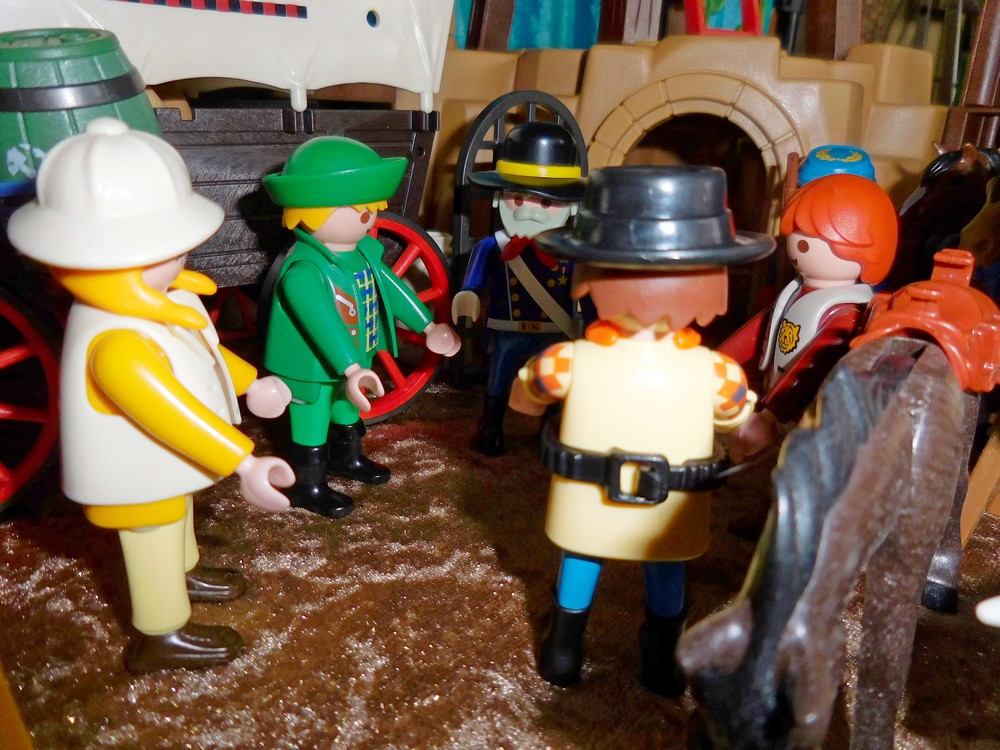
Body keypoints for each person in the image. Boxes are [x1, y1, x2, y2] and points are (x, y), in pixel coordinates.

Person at [7, 118, 294, 673]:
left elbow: (203, 353)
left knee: (177, 517)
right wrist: (243, 462)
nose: (184, 257)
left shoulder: (162, 305)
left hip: (163, 467)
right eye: (170, 249)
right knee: (153, 537)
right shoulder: (118, 343)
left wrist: (249, 382)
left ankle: (185, 573)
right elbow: (170, 413)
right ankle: (163, 631)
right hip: (135, 472)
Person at [509, 165, 774, 695]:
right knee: (657, 567)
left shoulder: (567, 362)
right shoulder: (717, 373)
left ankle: (575, 651)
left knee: (592, 559)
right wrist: (757, 437)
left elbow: (526, 401)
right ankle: (635, 657)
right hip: (658, 505)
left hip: (601, 499)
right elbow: (744, 432)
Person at [263, 137, 460, 517]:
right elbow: (321, 324)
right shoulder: (304, 270)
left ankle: (348, 458)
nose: (367, 217)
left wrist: (427, 326)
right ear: (310, 213)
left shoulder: (362, 256)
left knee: (348, 408)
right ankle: (307, 484)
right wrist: (351, 367)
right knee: (312, 418)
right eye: (357, 209)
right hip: (311, 369)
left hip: (357, 359)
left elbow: (394, 289)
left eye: (371, 208)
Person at [720, 172, 898, 456]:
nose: (797, 243)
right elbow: (762, 328)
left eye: (811, 237)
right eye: (796, 233)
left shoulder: (847, 313)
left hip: (802, 417)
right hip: (770, 399)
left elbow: (811, 366)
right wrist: (721, 360)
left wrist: (772, 415)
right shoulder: (795, 290)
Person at [452, 121, 585, 454]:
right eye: (519, 198)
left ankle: (550, 430)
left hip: (554, 329)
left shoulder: (573, 252)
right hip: (507, 327)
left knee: (555, 378)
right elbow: (474, 279)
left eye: (546, 203)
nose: (530, 211)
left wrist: (595, 323)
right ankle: (491, 425)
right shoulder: (493, 246)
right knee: (497, 376)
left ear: (572, 207)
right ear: (499, 200)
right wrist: (468, 295)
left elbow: (587, 290)